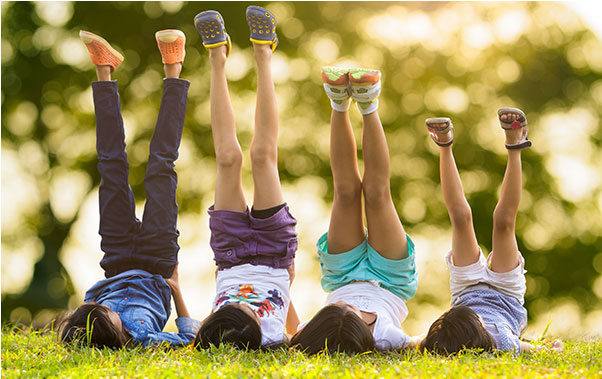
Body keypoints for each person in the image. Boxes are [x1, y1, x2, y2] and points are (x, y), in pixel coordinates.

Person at [59, 29, 199, 348]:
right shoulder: (142, 339)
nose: (105, 312)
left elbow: (86, 308)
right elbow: (190, 338)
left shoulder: (83, 332)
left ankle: (104, 70)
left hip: (116, 255)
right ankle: (174, 68)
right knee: (161, 165)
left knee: (110, 165)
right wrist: (176, 289)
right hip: (158, 260)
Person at [290, 67, 420, 354]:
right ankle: (369, 103)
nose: (343, 304)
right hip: (390, 279)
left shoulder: (313, 331)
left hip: (342, 273)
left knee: (346, 192)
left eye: (334, 306)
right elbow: (425, 343)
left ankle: (339, 102)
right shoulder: (387, 338)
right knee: (377, 195)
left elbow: (288, 332)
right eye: (344, 308)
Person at [192, 6, 299, 350]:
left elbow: (182, 331)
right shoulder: (271, 338)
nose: (242, 308)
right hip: (273, 251)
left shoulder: (211, 334)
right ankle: (263, 52)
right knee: (262, 156)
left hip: (231, 253)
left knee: (228, 158)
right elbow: (297, 331)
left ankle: (217, 56)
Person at [420, 108, 562, 354]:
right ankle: (515, 143)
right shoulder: (504, 342)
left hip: (466, 290)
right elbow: (538, 351)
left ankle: (444, 144)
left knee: (461, 218)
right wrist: (552, 350)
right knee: (503, 222)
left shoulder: (442, 343)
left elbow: (417, 342)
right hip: (505, 295)